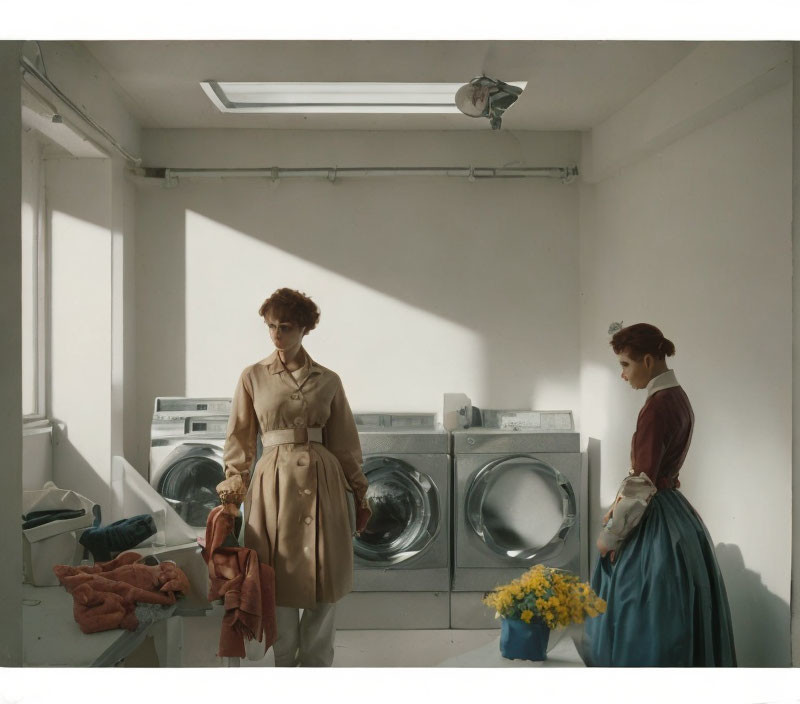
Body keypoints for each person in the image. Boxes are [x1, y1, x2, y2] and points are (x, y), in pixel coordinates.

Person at [215, 288, 371, 667]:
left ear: (304, 328)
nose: (276, 335)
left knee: (326, 580)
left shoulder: (329, 380)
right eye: (270, 327)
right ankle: (284, 665)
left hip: (325, 483)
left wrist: (361, 495)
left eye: (284, 327)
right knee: (275, 578)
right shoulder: (253, 376)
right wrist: (232, 495)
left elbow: (346, 443)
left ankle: (316, 667)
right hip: (274, 486)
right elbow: (239, 439)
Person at [584, 323, 736, 667]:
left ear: (649, 360)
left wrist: (610, 536)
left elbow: (642, 483)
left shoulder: (657, 406)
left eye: (626, 365)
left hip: (655, 515)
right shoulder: (679, 397)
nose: (623, 375)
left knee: (640, 606)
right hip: (675, 513)